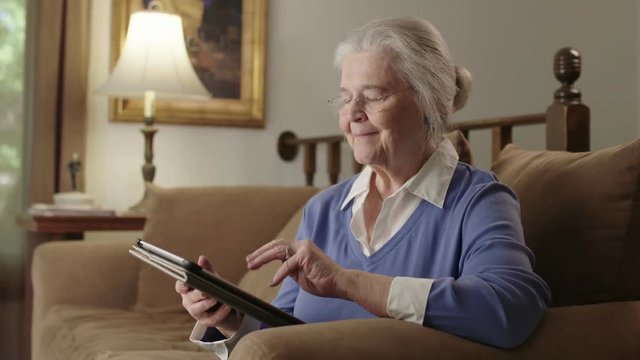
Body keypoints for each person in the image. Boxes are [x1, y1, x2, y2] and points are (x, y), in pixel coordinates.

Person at [176, 16, 551, 358]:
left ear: (429, 103)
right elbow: (289, 334)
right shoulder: (323, 210)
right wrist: (227, 315)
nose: (352, 114)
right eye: (345, 97)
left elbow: (511, 308)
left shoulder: (478, 200)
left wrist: (348, 283)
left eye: (372, 96)